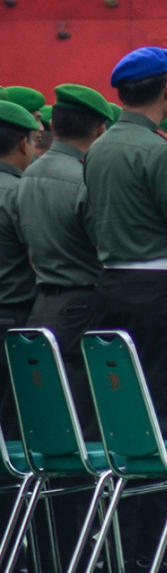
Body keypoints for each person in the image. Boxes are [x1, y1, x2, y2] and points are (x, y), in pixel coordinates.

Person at [83, 47, 167, 573]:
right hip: (160, 292)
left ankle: (129, 546)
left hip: (110, 285)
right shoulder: (161, 154)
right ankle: (160, 550)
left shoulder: (100, 149)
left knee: (124, 422)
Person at [18, 85, 113, 437]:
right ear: (101, 129)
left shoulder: (27, 176)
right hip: (82, 305)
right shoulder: (84, 179)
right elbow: (105, 248)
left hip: (43, 303)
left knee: (51, 414)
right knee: (84, 414)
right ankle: (81, 493)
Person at [0, 100, 41, 438]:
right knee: (16, 423)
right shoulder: (19, 193)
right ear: (23, 144)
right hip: (14, 319)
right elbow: (36, 257)